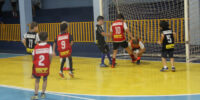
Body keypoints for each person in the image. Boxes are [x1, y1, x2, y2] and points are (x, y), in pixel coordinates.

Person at [31, 32, 52, 100]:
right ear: (47, 38)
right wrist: (49, 62)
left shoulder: (36, 47)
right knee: (45, 79)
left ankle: (36, 94)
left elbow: (33, 56)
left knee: (37, 80)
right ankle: (43, 94)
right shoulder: (49, 46)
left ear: (39, 38)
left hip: (38, 67)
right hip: (45, 66)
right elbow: (50, 55)